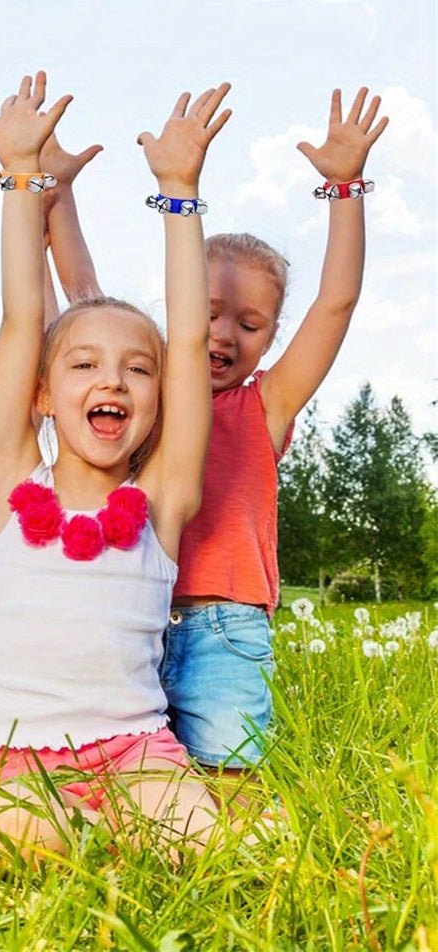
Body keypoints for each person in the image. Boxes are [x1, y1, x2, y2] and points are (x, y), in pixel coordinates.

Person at [0, 71, 231, 863]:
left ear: (157, 398)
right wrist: (20, 177)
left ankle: (125, 833)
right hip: (17, 756)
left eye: (135, 370)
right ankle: (106, 840)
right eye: (83, 365)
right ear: (44, 395)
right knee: (7, 836)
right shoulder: (11, 482)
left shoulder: (162, 499)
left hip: (136, 751)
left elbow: (188, 341)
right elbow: (21, 318)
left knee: (208, 842)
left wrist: (180, 192)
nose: (112, 380)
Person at [163, 87, 389, 793]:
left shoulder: (266, 404)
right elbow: (81, 296)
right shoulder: (148, 391)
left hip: (225, 627)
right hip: (134, 612)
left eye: (250, 324)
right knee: (143, 787)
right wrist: (54, 201)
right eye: (209, 312)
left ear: (271, 336)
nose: (224, 334)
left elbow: (336, 303)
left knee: (230, 782)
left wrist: (345, 188)